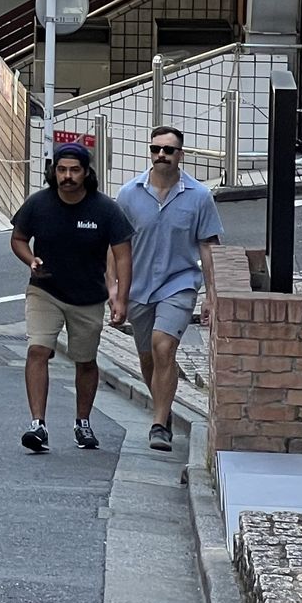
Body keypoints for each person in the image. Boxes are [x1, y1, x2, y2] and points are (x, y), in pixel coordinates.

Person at [10, 143, 133, 453]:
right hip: (45, 290)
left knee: (85, 360)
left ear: (86, 173)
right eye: (62, 170)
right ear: (54, 172)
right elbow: (18, 238)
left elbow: (123, 255)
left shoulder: (105, 209)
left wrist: (121, 298)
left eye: (74, 170)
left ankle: (83, 422)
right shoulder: (39, 203)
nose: (67, 176)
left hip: (88, 296)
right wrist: (30, 260)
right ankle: (37, 424)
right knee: (38, 349)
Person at [117, 125, 224, 453]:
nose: (161, 155)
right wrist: (115, 290)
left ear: (181, 154)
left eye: (168, 150)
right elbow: (116, 246)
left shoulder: (199, 196)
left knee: (163, 347)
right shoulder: (128, 194)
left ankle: (159, 424)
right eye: (156, 149)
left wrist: (211, 296)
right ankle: (162, 409)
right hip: (138, 287)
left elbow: (208, 247)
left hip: (179, 284)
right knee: (147, 356)